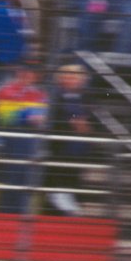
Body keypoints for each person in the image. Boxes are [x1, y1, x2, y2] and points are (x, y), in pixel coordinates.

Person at [0, 59, 49, 214]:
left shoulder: (40, 94)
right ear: (19, 73)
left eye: (33, 73)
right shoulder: (6, 90)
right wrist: (27, 115)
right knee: (12, 176)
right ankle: (6, 213)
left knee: (28, 179)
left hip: (33, 140)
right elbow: (3, 117)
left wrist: (24, 114)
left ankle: (21, 213)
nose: (29, 76)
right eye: (26, 72)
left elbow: (45, 117)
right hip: (13, 139)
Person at [44, 64, 93, 216]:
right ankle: (58, 196)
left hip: (79, 145)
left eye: (75, 77)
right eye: (67, 77)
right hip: (58, 143)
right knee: (60, 170)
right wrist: (73, 121)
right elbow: (57, 115)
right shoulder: (54, 95)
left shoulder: (85, 97)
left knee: (74, 172)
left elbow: (90, 117)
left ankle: (70, 198)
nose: (71, 80)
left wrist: (86, 125)